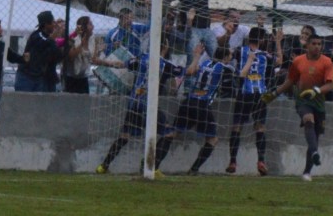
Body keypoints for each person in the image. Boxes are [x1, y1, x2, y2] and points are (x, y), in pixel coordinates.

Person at [97, 40, 183, 175]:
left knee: (125, 135)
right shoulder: (165, 64)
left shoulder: (141, 58)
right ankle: (151, 167)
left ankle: (103, 166)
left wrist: (104, 62)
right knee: (169, 133)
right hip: (149, 105)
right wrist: (196, 58)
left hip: (134, 102)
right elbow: (185, 71)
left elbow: (123, 64)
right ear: (165, 47)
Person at [262, 32, 333, 181]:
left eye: (319, 44)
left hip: (318, 103)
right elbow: (290, 81)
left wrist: (317, 91)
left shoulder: (327, 62)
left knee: (316, 136)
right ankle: (314, 152)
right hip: (302, 100)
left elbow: (330, 85)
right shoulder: (298, 62)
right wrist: (274, 94)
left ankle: (307, 171)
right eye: (313, 44)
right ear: (307, 45)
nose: (316, 47)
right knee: (308, 119)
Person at [153, 44, 234, 175]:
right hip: (202, 106)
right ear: (225, 57)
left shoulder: (205, 63)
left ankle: (151, 164)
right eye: (230, 55)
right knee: (213, 140)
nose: (232, 58)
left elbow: (192, 71)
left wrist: (196, 56)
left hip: (189, 101)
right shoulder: (225, 68)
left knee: (171, 133)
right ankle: (194, 170)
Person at [225, 27, 281, 175]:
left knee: (237, 127)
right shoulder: (265, 55)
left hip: (244, 94)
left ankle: (232, 161)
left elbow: (228, 56)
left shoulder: (240, 50)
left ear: (249, 38)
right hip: (260, 95)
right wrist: (278, 42)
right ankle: (261, 160)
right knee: (260, 127)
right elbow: (280, 61)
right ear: (262, 40)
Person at [64, 16, 123, 94]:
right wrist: (82, 42)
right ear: (84, 27)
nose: (93, 26)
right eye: (90, 24)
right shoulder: (74, 40)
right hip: (71, 78)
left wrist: (111, 63)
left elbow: (94, 59)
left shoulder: (93, 39)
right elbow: (71, 57)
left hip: (83, 78)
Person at [14, 11, 66, 93]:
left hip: (38, 77)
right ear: (46, 24)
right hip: (26, 76)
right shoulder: (37, 35)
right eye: (52, 22)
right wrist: (54, 35)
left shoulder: (51, 40)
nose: (54, 25)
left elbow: (58, 56)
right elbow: (42, 43)